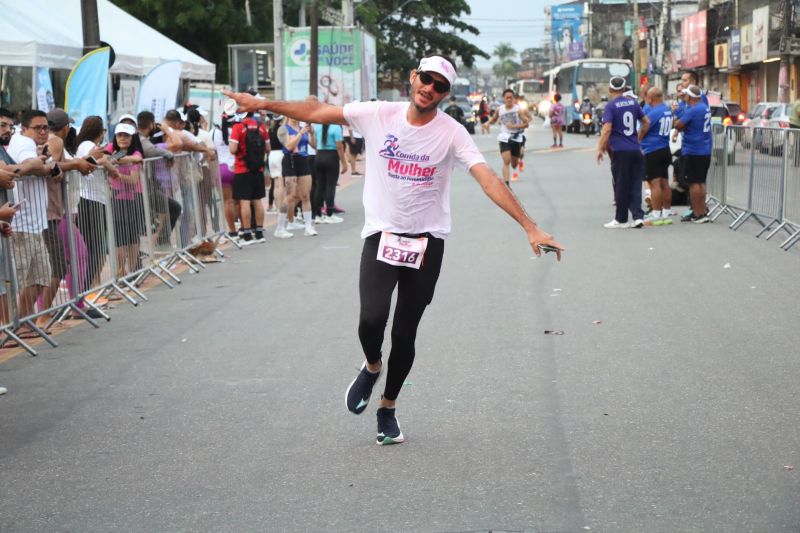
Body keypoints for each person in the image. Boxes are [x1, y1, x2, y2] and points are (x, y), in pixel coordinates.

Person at [223, 54, 563, 446]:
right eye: (426, 79)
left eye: (439, 86)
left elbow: (487, 179)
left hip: (427, 243)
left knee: (404, 334)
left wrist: (530, 226)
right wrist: (261, 103)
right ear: (413, 76)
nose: (430, 89)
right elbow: (317, 110)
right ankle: (371, 367)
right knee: (371, 319)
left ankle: (387, 407)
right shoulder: (378, 114)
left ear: (445, 93)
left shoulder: (452, 133)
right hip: (382, 236)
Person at [40, 108, 97, 323]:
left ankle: (51, 309)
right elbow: (52, 167)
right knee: (73, 257)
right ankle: (50, 310)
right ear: (65, 128)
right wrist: (74, 164)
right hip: (54, 211)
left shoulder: (53, 140)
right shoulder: (56, 140)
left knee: (60, 262)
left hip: (58, 210)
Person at [6, 110, 61, 319]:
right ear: (24, 129)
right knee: (17, 281)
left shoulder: (32, 146)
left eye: (46, 127)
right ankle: (10, 326)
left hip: (35, 224)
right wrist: (47, 166)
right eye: (38, 128)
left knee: (40, 277)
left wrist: (45, 163)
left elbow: (40, 165)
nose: (43, 131)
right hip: (21, 223)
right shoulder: (22, 142)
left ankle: (22, 320)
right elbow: (34, 167)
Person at [597, 75, 649, 229]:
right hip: (635, 149)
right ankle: (638, 216)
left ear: (611, 89)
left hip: (620, 150)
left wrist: (600, 148)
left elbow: (607, 129)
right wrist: (637, 138)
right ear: (624, 88)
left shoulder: (611, 106)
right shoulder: (633, 103)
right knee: (635, 183)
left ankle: (621, 219)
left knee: (621, 184)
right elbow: (646, 122)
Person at [673, 84, 712, 223]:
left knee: (694, 183)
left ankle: (698, 213)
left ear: (690, 96)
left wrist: (675, 114)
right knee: (701, 182)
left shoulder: (694, 110)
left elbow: (678, 125)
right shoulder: (704, 108)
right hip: (704, 149)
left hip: (693, 150)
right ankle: (702, 212)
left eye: (686, 95)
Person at [229, 110, 269, 244]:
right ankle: (259, 233)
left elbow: (233, 149)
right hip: (258, 169)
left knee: (244, 201)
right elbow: (268, 148)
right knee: (257, 201)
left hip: (242, 169)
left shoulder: (238, 127)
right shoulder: (261, 126)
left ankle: (247, 234)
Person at [276, 116, 317, 237]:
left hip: (303, 160)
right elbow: (289, 146)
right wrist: (301, 133)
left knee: (305, 195)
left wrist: (312, 133)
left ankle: (309, 227)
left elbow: (314, 145)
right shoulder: (283, 129)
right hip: (290, 161)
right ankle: (280, 227)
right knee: (290, 196)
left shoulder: (301, 128)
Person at [637, 88, 674, 225]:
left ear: (652, 98)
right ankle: (666, 212)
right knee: (665, 182)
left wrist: (638, 140)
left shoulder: (655, 112)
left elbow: (644, 126)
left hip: (653, 149)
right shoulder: (667, 110)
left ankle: (656, 213)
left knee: (654, 183)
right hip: (665, 148)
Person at [489, 88, 531, 187]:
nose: (509, 99)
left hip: (516, 137)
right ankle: (507, 185)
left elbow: (526, 124)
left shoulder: (518, 110)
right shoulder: (500, 109)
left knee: (514, 164)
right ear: (503, 98)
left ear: (513, 98)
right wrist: (487, 123)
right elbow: (494, 119)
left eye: (511, 97)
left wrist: (515, 127)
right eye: (507, 98)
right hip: (504, 137)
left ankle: (518, 159)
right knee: (506, 160)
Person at [312, 120, 346, 224]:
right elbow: (339, 147)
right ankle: (330, 214)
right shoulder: (336, 127)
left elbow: (314, 144)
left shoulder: (317, 127)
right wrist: (344, 162)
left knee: (320, 186)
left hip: (319, 155)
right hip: (331, 156)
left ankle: (318, 215)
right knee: (330, 186)